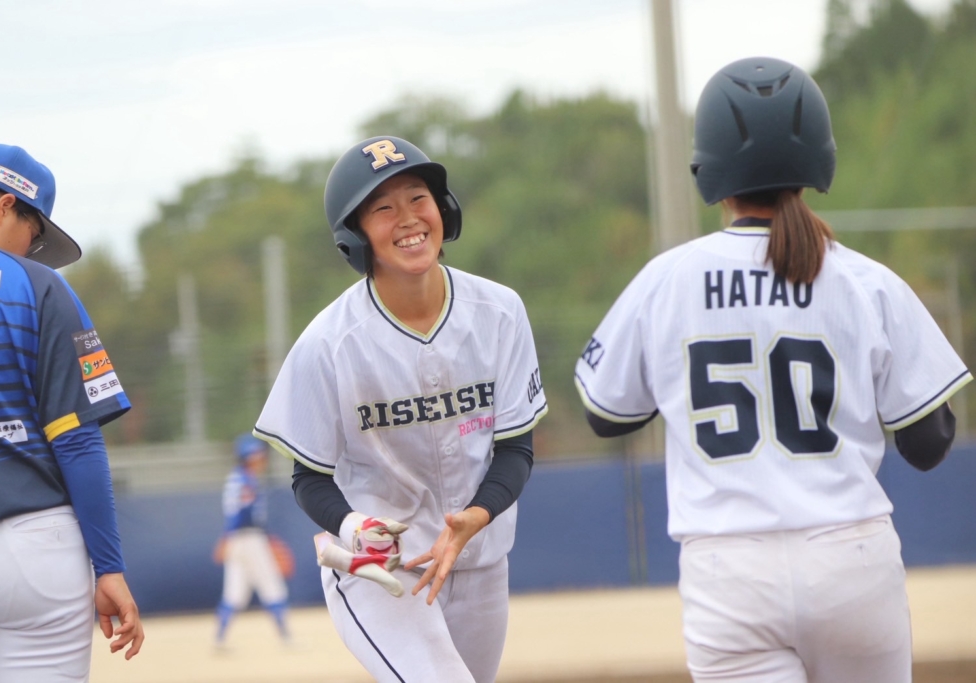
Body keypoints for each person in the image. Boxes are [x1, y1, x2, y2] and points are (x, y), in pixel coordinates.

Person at [574, 57, 971, 683]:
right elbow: (928, 442)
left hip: (729, 571)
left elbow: (606, 414)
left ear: (708, 169)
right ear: (819, 158)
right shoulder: (865, 279)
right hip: (851, 560)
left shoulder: (667, 279)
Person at [254, 135, 547, 682]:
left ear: (443, 209)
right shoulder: (329, 343)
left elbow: (515, 448)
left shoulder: (500, 312)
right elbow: (308, 477)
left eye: (418, 198)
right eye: (383, 208)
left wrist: (477, 515)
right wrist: (351, 524)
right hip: (381, 570)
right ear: (355, 235)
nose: (408, 218)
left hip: (479, 558)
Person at [0, 142, 144, 681]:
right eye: (35, 235)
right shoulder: (37, 285)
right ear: (5, 206)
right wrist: (109, 566)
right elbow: (76, 439)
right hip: (35, 546)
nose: (32, 250)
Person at [214, 433, 292, 645]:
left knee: (234, 592)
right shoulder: (246, 479)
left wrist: (228, 537)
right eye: (258, 454)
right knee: (272, 585)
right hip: (249, 538)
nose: (262, 458)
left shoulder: (236, 477)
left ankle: (219, 639)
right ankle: (286, 637)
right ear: (249, 456)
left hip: (237, 539)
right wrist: (262, 536)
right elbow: (243, 512)